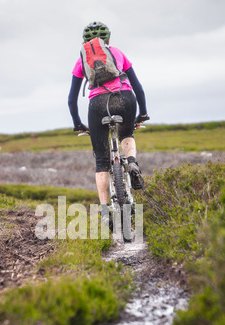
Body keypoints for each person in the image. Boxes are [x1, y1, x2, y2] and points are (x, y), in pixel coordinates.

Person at [68, 21, 150, 223]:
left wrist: (78, 123)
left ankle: (105, 212)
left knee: (102, 161)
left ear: (85, 41)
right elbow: (138, 88)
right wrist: (143, 114)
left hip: (97, 104)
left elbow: (71, 99)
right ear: (108, 39)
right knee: (127, 134)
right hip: (125, 98)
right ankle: (131, 162)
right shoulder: (118, 53)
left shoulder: (82, 59)